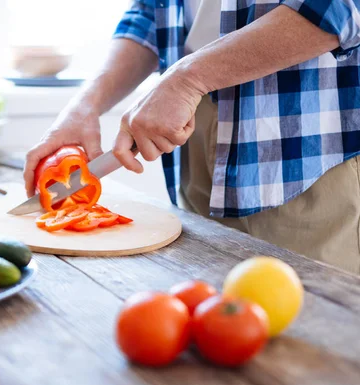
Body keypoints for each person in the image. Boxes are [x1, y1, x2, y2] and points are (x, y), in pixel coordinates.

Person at [22, 0, 360, 275]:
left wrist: (186, 79)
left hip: (302, 143)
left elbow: (335, 6)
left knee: (311, 327)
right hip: (194, 126)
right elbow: (150, 12)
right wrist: (85, 105)